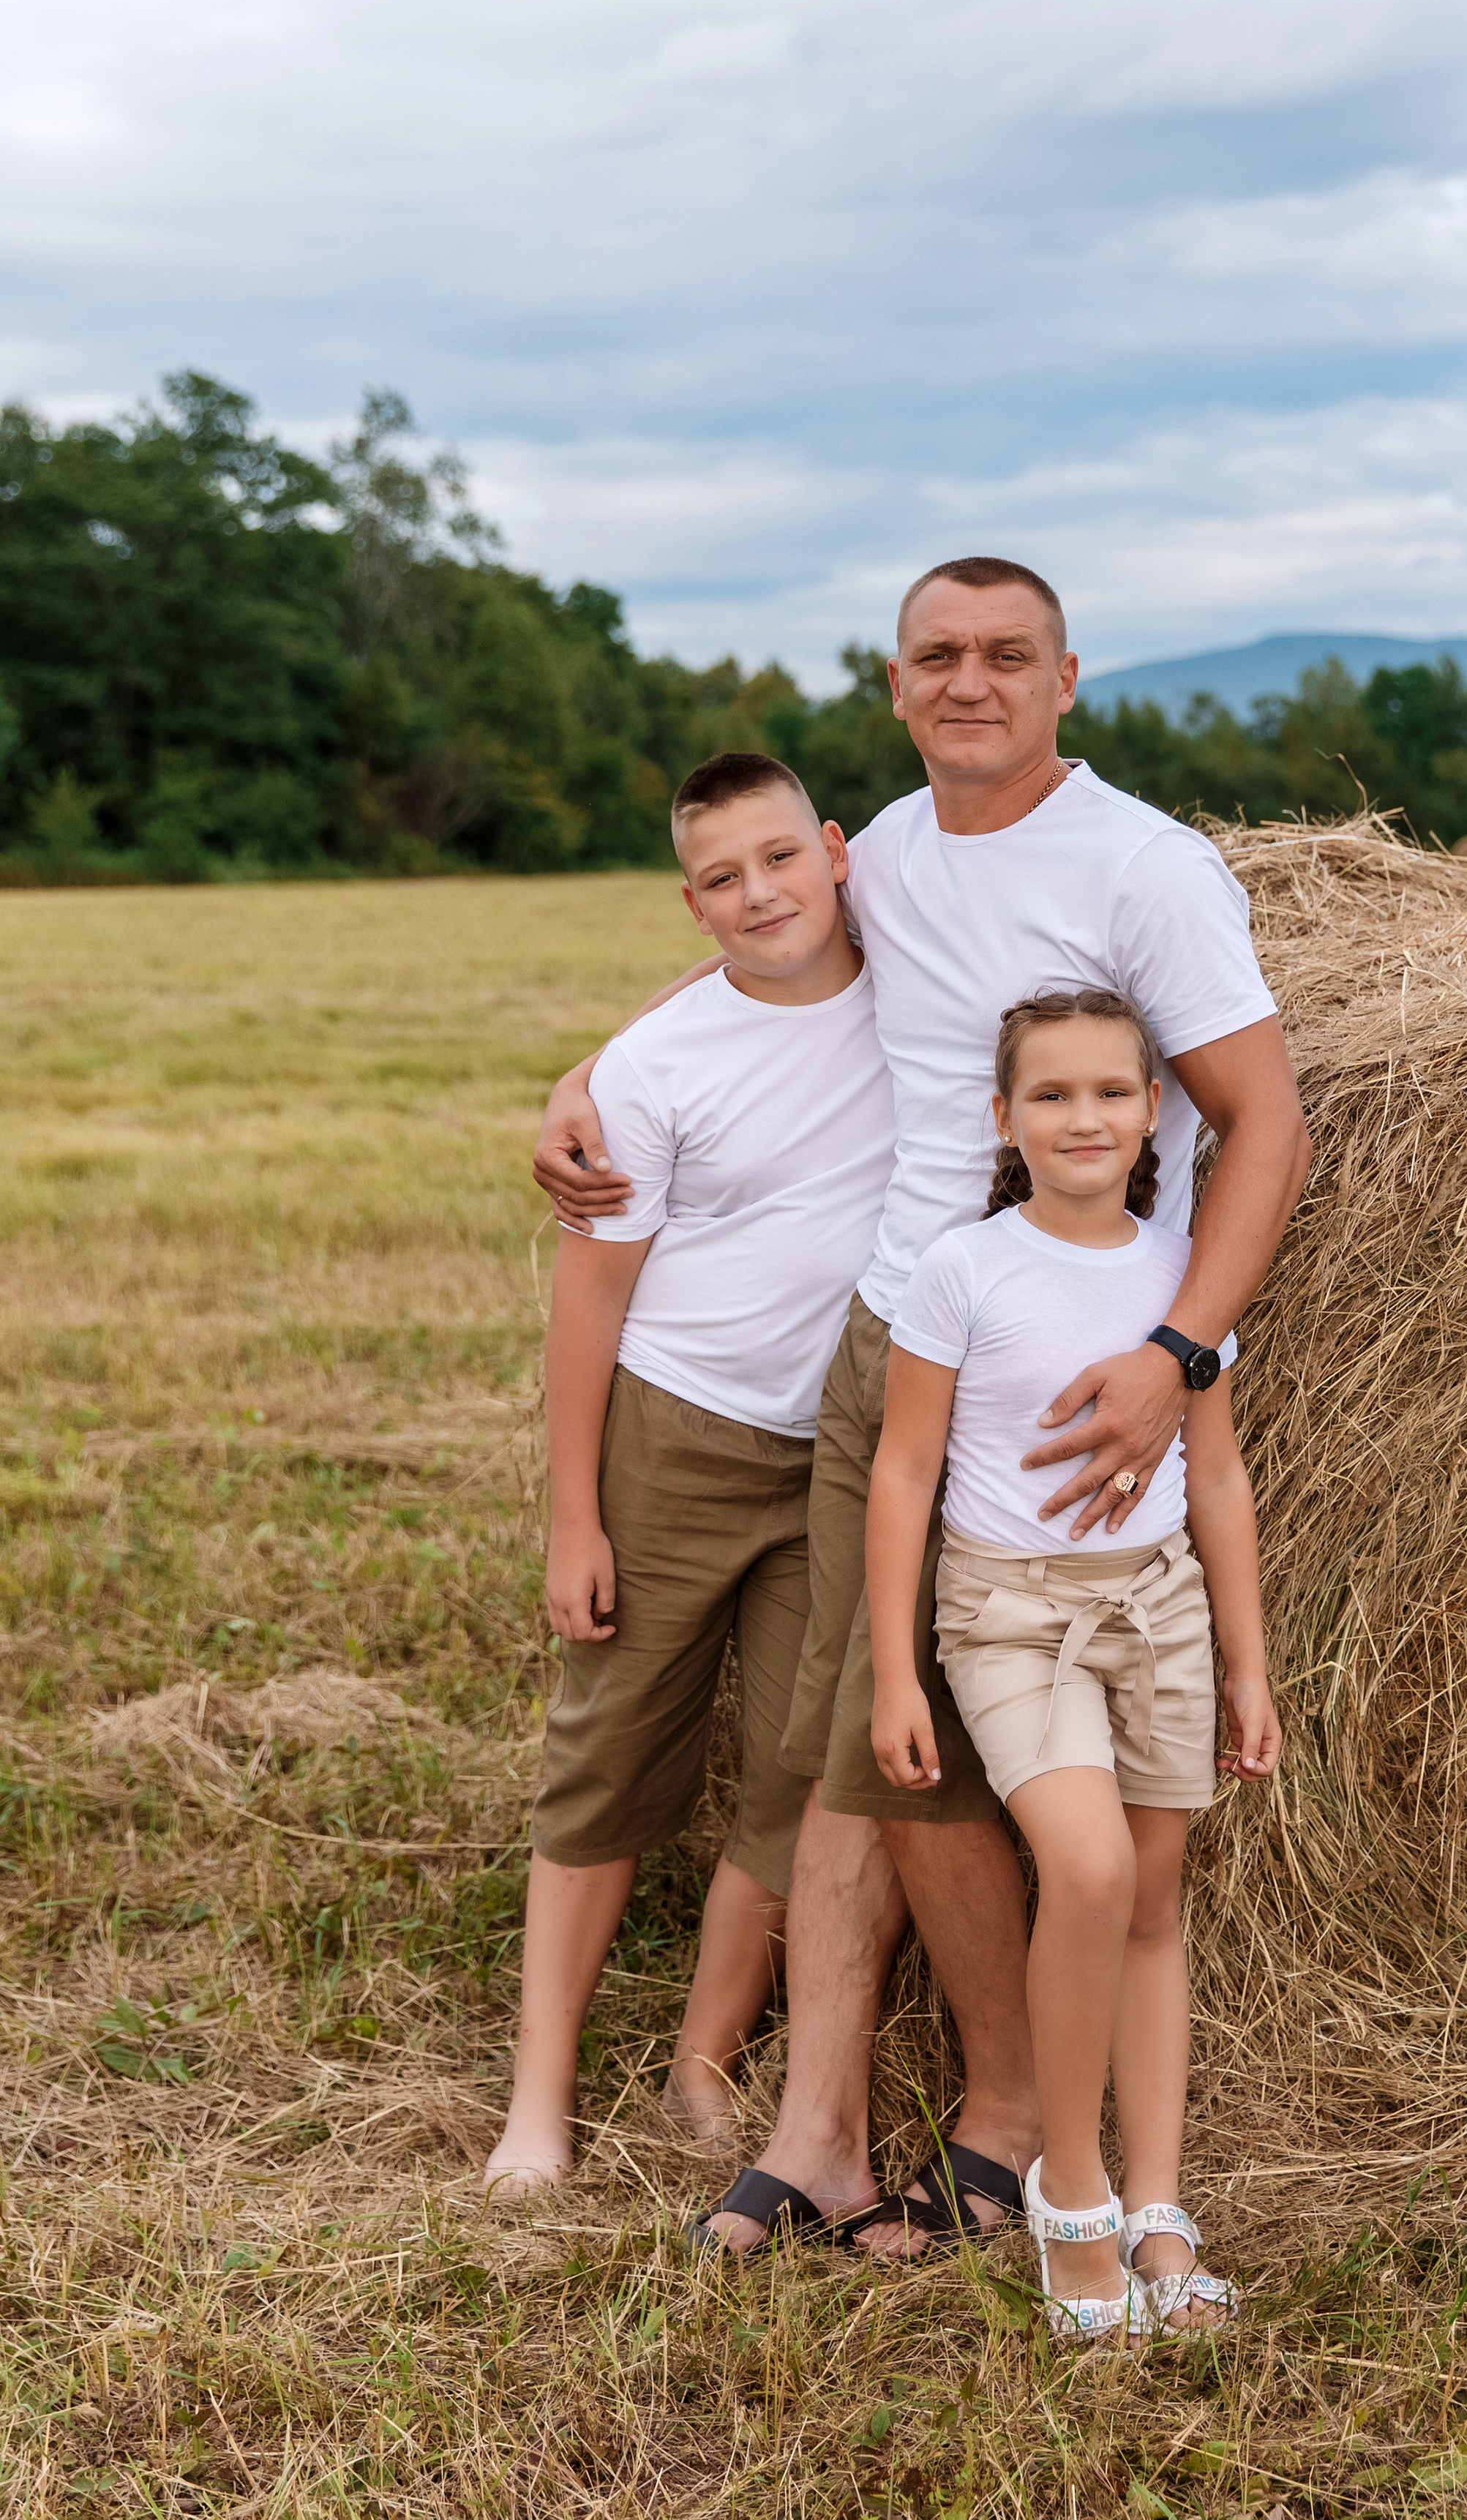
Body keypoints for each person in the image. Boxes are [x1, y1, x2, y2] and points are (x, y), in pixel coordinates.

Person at [534, 556, 1309, 2257]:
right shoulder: (881, 847)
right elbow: (754, 952)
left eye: (1005, 655)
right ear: (892, 686)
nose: (970, 682)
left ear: (1064, 679)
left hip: (1081, 1362)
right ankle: (838, 2124)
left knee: (980, 1744)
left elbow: (1266, 1122)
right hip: (895, 1343)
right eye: (936, 655)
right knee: (874, 1737)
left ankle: (1009, 2108)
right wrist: (591, 1075)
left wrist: (1175, 1354)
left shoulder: (1140, 867)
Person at [482, 750, 896, 2197]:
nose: (759, 893)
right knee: (608, 1751)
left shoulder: (916, 986)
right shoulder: (659, 1067)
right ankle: (538, 2103)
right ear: (691, 905)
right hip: (678, 1429)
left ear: (835, 852)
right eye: (721, 878)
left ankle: (703, 2067)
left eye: (779, 859)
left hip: (845, 1447)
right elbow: (589, 1299)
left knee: (798, 1769)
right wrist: (574, 1520)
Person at [868, 987, 1280, 2339]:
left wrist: (1247, 1664)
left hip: (1159, 1609)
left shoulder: (1183, 1275)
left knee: (1151, 1903)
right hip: (1010, 1616)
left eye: (1111, 1091)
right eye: (1051, 1095)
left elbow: (1215, 1479)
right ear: (1004, 1119)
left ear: (1155, 1110)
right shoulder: (965, 1270)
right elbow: (904, 1472)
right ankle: (1075, 2192)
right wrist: (894, 1674)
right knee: (1091, 1868)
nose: (1083, 1118)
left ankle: (1159, 2208)